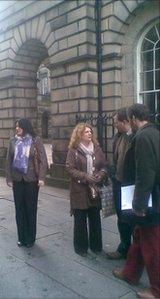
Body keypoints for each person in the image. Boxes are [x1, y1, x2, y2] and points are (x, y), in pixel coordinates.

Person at [113, 104, 160, 299]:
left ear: (133, 118)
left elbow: (146, 173)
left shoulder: (142, 136)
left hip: (150, 200)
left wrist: (139, 205)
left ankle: (157, 290)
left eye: (129, 118)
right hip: (152, 196)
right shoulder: (155, 132)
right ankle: (131, 273)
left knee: (152, 245)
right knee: (139, 235)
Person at [66, 123, 108, 257]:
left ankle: (96, 246)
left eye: (90, 132)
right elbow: (70, 168)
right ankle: (81, 248)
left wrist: (101, 174)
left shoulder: (97, 149)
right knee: (80, 219)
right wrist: (85, 176)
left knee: (95, 218)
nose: (90, 134)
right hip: (79, 190)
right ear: (79, 135)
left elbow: (104, 166)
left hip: (94, 190)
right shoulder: (73, 150)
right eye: (86, 132)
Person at [6, 118, 48, 248]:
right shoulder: (12, 141)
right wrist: (9, 178)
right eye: (16, 126)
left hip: (31, 180)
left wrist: (41, 177)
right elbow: (8, 160)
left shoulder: (36, 140)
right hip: (17, 179)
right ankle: (21, 237)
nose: (16, 129)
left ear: (25, 127)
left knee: (30, 208)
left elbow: (43, 160)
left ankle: (30, 238)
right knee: (19, 209)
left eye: (19, 126)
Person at [106, 108, 135, 260]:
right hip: (119, 183)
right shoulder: (118, 136)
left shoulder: (135, 137)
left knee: (132, 220)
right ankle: (124, 247)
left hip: (131, 186)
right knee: (121, 218)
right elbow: (114, 160)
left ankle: (135, 253)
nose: (115, 124)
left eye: (116, 121)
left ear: (125, 121)